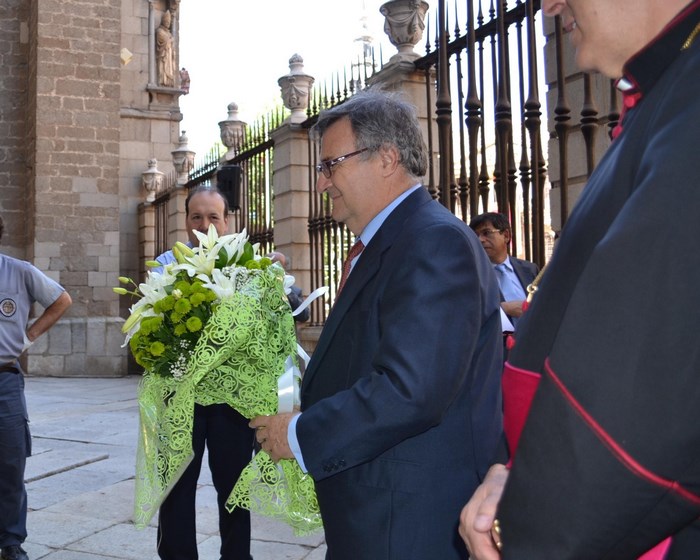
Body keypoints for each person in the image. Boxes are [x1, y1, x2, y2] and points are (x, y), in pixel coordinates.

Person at [460, 0, 700, 558]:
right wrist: (513, 472)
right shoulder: (663, 94)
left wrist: (517, 532)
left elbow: (641, 406)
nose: (549, 5)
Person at [250, 89, 504, 559]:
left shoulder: (434, 243)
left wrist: (302, 433)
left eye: (331, 165)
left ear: (386, 158)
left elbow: (411, 391)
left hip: (408, 521)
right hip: (379, 507)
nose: (322, 183)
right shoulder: (397, 239)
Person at [153, 187, 253, 560]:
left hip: (231, 398)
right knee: (177, 486)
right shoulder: (166, 264)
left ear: (227, 221)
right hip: (181, 397)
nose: (205, 224)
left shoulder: (246, 268)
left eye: (213, 216)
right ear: (186, 221)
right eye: (197, 217)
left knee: (235, 489)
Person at [0, 215, 72, 560]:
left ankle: (11, 541)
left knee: (11, 462)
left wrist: (29, 336)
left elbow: (61, 300)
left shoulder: (19, 271)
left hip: (5, 379)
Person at [469, 212, 538, 332]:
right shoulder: (471, 275)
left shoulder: (529, 269)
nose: (480, 240)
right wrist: (503, 309)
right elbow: (466, 314)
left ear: (506, 235)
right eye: (476, 236)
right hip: (498, 348)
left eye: (486, 233)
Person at [156, 10, 175, 87]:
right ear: (163, 21)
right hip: (163, 55)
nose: (168, 24)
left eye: (169, 22)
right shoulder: (160, 31)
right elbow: (164, 40)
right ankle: (162, 81)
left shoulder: (169, 33)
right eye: (167, 22)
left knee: (169, 68)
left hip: (169, 54)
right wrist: (170, 40)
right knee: (163, 68)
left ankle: (168, 82)